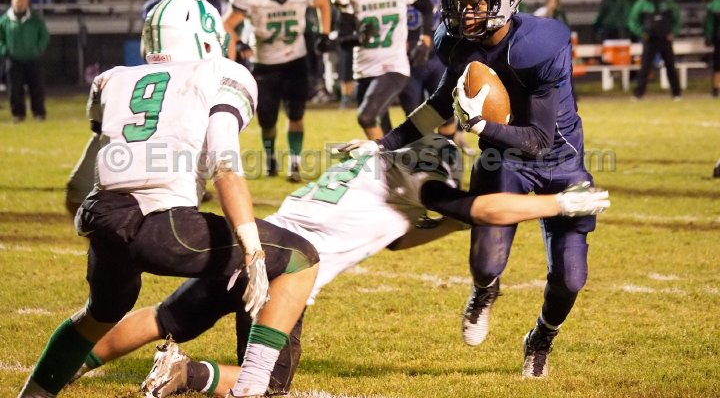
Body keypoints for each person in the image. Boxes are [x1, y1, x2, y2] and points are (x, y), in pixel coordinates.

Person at [69, 135, 610, 396]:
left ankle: (70, 366)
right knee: (269, 384)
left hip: (253, 245)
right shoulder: (418, 183)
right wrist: (558, 204)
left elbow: (396, 239)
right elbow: (484, 209)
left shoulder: (373, 159)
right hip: (287, 272)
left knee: (164, 318)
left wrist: (449, 225)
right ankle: (184, 374)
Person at [17, 0, 320, 398]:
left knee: (98, 315)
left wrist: (104, 235)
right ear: (206, 40)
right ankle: (255, 385)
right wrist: (252, 248)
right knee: (299, 257)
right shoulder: (220, 72)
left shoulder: (112, 79)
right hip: (166, 226)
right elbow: (225, 167)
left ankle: (33, 394)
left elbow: (78, 186)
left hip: (103, 216)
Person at [341, 0, 599, 379]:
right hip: (504, 157)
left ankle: (540, 337)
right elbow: (438, 105)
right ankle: (485, 291)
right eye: (460, 1)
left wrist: (479, 125)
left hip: (558, 157)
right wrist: (383, 144)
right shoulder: (458, 41)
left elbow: (538, 139)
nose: (465, 12)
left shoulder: (540, 46)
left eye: (477, 2)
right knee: (486, 264)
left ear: (506, 0)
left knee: (571, 277)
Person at [223, 0, 332, 182]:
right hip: (264, 64)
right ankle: (271, 157)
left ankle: (295, 163)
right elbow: (227, 24)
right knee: (267, 121)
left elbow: (323, 3)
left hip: (296, 61)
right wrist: (239, 42)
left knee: (296, 115)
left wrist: (324, 34)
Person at [331, 0, 434, 140]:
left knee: (366, 117)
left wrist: (425, 40)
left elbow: (426, 7)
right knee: (379, 127)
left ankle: (420, 153)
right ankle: (392, 159)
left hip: (393, 64)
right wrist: (358, 38)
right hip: (364, 68)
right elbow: (343, 39)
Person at [398, 0, 456, 141]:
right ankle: (426, 153)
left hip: (436, 55)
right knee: (414, 114)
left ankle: (448, 151)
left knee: (446, 111)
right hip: (406, 56)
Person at [627, 0, 681, 100]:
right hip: (649, 40)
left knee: (670, 66)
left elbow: (677, 18)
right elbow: (632, 21)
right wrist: (642, 33)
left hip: (665, 39)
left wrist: (674, 32)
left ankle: (676, 93)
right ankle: (638, 94)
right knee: (645, 67)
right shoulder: (642, 4)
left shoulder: (668, 2)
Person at [0, 0, 49, 122]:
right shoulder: (4, 20)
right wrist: (5, 50)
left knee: (37, 87)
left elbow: (44, 36)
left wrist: (38, 49)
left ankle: (39, 113)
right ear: (12, 2)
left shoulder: (35, 19)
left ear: (27, 2)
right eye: (17, 1)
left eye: (22, 0)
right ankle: (18, 114)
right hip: (13, 60)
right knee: (14, 89)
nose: (19, 3)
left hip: (33, 59)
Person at [703, 0, 720, 97]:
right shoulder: (715, 4)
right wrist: (708, 36)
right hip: (719, 40)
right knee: (717, 66)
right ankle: (715, 89)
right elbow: (709, 23)